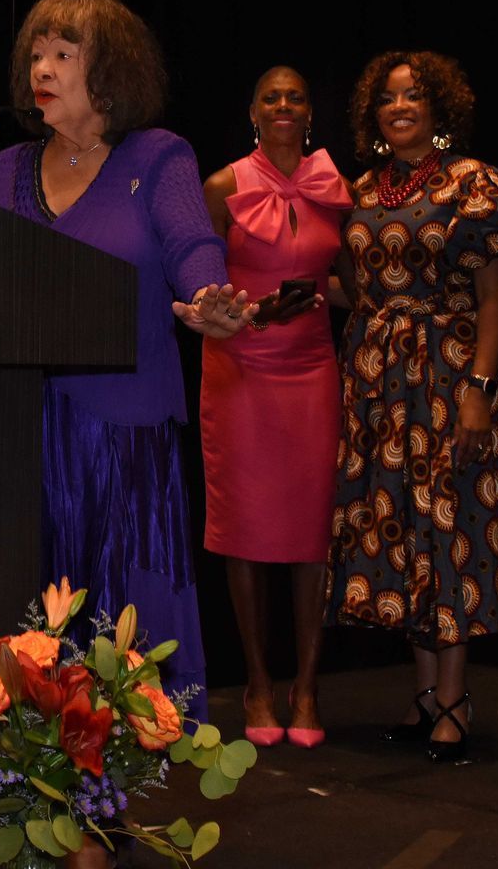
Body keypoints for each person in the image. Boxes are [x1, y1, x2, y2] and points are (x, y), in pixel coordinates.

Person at [0, 0, 251, 716]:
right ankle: (26, 761)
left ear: (111, 71)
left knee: (123, 631)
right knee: (25, 625)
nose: (43, 68)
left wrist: (207, 296)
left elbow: (191, 244)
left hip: (122, 437)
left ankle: (129, 763)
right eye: (36, 54)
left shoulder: (157, 157)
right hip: (14, 436)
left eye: (64, 54)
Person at [327, 51, 498, 763]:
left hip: (449, 378)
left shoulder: (472, 183)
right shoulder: (361, 188)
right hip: (379, 386)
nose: (399, 107)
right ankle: (424, 700)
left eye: (413, 95)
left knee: (448, 532)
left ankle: (454, 702)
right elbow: (361, 290)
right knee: (403, 537)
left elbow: (493, 299)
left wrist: (479, 390)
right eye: (388, 97)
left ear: (438, 107)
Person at [199, 67, 351, 748]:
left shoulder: (335, 187)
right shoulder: (222, 186)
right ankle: (258, 683)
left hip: (312, 369)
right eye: (272, 96)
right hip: (240, 368)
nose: (284, 104)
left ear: (309, 111)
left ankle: (308, 686)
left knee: (313, 528)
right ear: (253, 110)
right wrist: (257, 311)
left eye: (296, 96)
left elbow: (346, 282)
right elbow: (201, 288)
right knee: (247, 527)